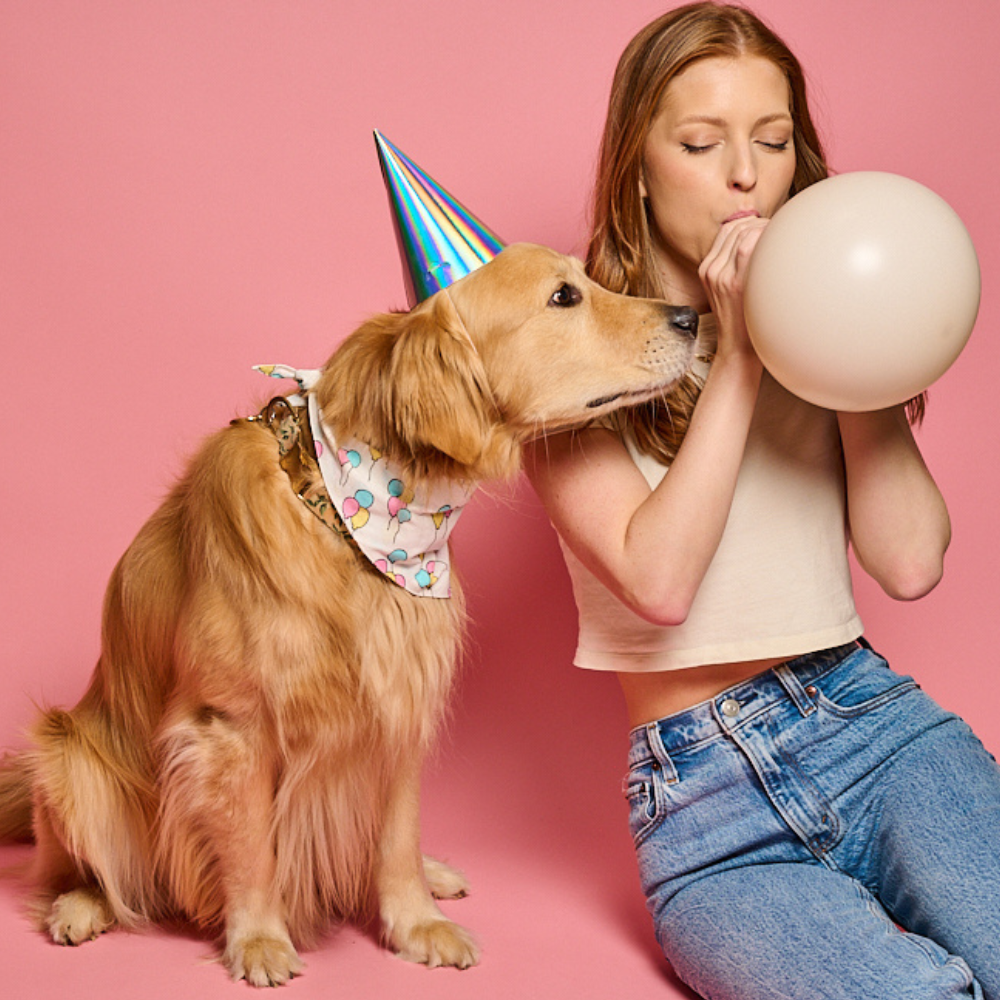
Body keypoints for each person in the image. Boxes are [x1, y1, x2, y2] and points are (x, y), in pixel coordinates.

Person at [525, 4, 1000, 998]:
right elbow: (658, 581)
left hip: (876, 729)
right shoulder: (557, 356)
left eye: (772, 141)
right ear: (638, 167)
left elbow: (910, 565)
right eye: (701, 143)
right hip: (706, 817)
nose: (744, 172)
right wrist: (737, 353)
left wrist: (839, 349)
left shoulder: (830, 331)